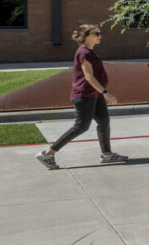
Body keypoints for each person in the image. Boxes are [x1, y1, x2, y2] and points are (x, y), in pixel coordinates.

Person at [36, 23, 127, 169]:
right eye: (96, 33)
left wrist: (101, 93)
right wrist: (105, 92)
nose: (100, 36)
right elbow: (89, 77)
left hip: (94, 95)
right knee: (81, 127)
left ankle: (107, 154)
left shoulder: (90, 52)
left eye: (100, 33)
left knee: (104, 121)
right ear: (86, 36)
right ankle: (48, 153)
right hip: (85, 95)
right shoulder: (83, 53)